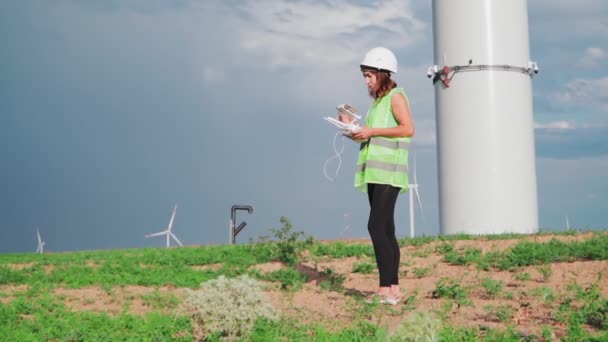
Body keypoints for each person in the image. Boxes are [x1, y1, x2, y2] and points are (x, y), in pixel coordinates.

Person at [339, 47, 414, 305]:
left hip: (388, 172)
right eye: (365, 75)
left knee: (375, 227)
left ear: (383, 73)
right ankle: (392, 289)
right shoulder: (378, 102)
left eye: (369, 74)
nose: (366, 80)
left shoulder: (395, 96)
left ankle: (384, 290)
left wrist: (371, 131)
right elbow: (373, 133)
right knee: (386, 229)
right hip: (375, 172)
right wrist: (352, 129)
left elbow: (408, 128)